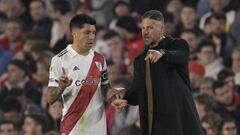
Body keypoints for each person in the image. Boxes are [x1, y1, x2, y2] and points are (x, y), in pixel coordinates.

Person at [111, 10, 203, 135]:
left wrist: (163, 53)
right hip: (155, 125)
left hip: (180, 121)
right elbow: (138, 94)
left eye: (150, 27)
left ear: (162, 29)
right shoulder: (140, 60)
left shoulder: (177, 45)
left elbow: (180, 56)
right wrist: (123, 94)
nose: (145, 32)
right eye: (143, 28)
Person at [47, 14, 116, 135]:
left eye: (94, 33)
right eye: (87, 32)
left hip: (98, 129)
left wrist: (113, 100)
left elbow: (106, 88)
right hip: (73, 129)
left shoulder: (99, 59)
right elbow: (50, 98)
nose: (92, 37)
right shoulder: (60, 60)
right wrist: (61, 87)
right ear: (75, 34)